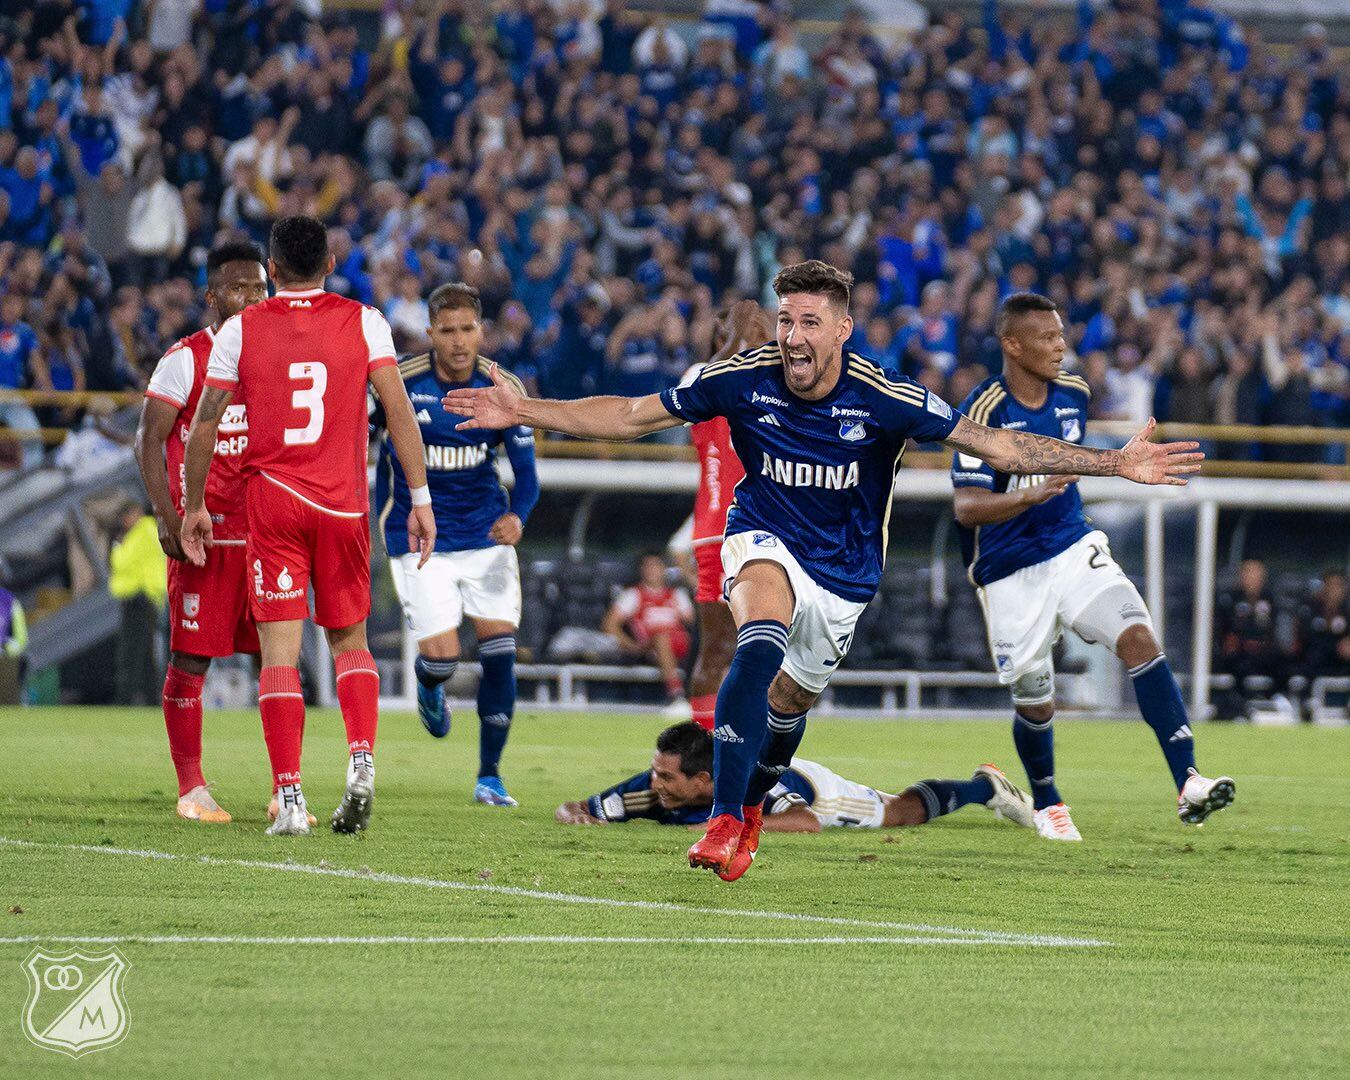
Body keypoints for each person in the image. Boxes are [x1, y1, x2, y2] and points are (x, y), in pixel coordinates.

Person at [444, 258, 1204, 881]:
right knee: (758, 634)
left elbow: (1000, 447)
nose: (793, 336)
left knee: (788, 708)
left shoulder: (885, 397)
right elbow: (632, 414)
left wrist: (1112, 462)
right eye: (786, 321)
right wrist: (527, 410)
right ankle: (720, 822)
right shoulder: (742, 377)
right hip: (763, 536)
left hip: (844, 578)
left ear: (842, 329)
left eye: (810, 322)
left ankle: (747, 808)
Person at [182, 215, 436, 837]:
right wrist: (421, 497)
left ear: (271, 270)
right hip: (342, 505)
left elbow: (208, 423)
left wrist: (193, 506)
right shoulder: (365, 321)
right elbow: (399, 412)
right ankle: (361, 760)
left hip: (273, 503)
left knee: (280, 655)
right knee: (351, 643)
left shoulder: (241, 329)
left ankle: (290, 799)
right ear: (329, 264)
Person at [952, 293, 1235, 840]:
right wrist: (1027, 498)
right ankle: (1048, 800)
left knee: (1139, 636)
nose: (1062, 346)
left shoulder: (1074, 394)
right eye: (1048, 337)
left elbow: (1072, 465)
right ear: (1012, 344)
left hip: (1072, 547)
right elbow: (966, 508)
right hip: (1009, 571)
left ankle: (1189, 781)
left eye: (1062, 335)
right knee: (1035, 700)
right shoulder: (982, 411)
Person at [372, 281, 539, 808]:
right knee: (443, 660)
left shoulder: (503, 385)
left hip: (485, 533)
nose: (460, 341)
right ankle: (430, 683)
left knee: (500, 653)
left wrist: (518, 515)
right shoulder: (400, 382)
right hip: (417, 535)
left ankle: (489, 776)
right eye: (448, 330)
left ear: (481, 330)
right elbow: (362, 437)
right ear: (431, 334)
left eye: (468, 329)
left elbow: (529, 476)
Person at [136, 240, 268, 825]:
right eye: (239, 288)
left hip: (268, 538)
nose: (252, 299)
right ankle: (191, 788)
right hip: (205, 539)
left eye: (261, 288)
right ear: (212, 296)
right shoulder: (186, 359)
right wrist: (168, 516)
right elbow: (149, 439)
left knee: (279, 661)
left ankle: (283, 787)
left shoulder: (276, 360)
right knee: (191, 659)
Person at [556, 721, 1036, 832]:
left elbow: (805, 822)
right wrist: (575, 814)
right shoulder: (655, 784)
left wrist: (721, 827)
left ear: (705, 781)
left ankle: (983, 787)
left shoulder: (752, 789)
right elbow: (580, 809)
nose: (655, 785)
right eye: (656, 773)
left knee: (900, 812)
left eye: (667, 778)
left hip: (814, 793)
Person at [680, 300, 769, 729]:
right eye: (748, 333)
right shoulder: (700, 376)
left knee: (762, 651)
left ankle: (743, 750)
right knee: (717, 647)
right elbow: (716, 375)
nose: (758, 343)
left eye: (763, 334)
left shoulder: (777, 386)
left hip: (770, 531)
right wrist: (736, 333)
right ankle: (700, 751)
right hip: (719, 532)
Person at [602, 552, 694, 704]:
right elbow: (609, 624)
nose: (652, 570)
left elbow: (692, 622)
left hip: (681, 644)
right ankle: (676, 695)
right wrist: (630, 646)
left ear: (664, 569)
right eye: (648, 566)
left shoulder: (677, 594)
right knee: (661, 637)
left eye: (656, 566)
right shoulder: (633, 595)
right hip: (651, 647)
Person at [108, 500, 167, 706]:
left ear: (135, 513)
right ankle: (151, 698)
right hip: (141, 596)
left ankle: (127, 698)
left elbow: (123, 562)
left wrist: (118, 546)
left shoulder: (143, 532)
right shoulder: (145, 531)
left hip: (140, 596)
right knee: (144, 652)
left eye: (126, 516)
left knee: (132, 651)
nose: (124, 521)